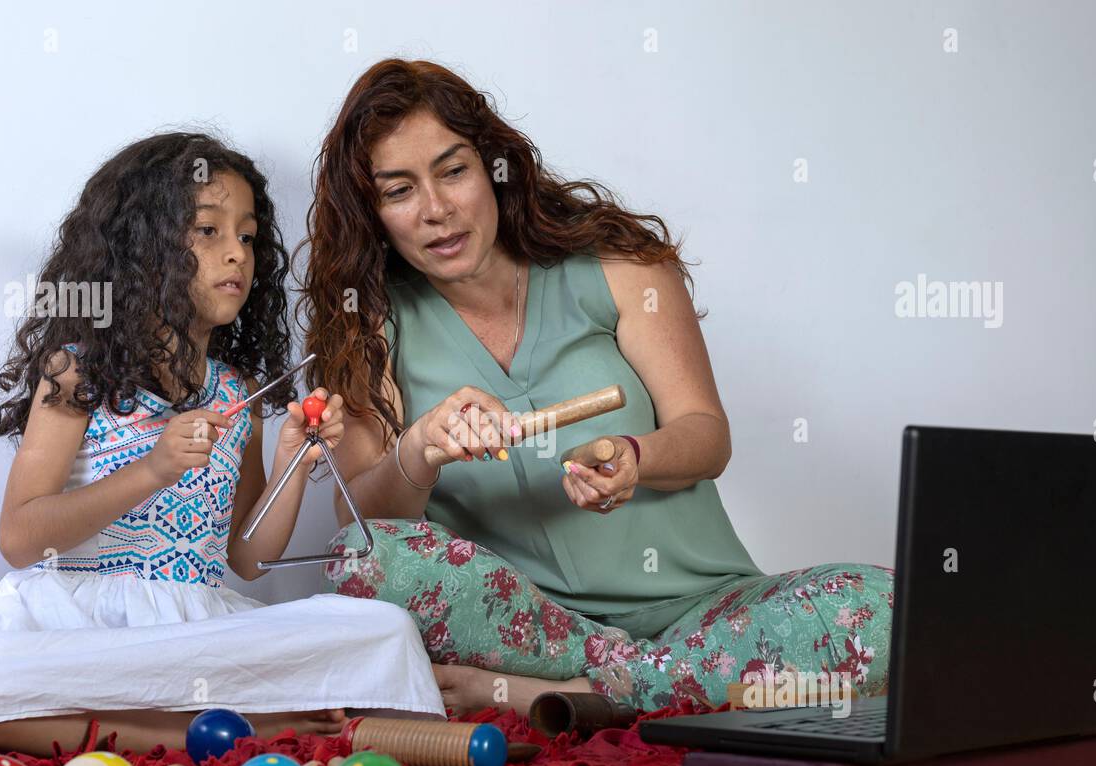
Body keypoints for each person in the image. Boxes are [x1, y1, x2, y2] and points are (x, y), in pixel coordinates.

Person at [294, 59, 893, 716]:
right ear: (372, 212)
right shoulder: (368, 322)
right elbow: (370, 522)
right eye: (399, 190)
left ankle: (582, 698)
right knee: (364, 559)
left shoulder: (617, 266)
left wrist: (637, 458)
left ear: (493, 164)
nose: (436, 210)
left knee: (884, 609)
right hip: (535, 633)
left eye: (453, 170)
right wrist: (419, 450)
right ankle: (678, 691)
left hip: (709, 615)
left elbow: (706, 434)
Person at [0, 132, 443, 758]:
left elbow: (246, 558)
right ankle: (211, 734)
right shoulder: (75, 371)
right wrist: (152, 469)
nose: (236, 255)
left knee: (384, 628)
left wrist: (291, 463)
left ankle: (175, 731)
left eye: (246, 237)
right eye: (208, 232)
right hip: (85, 631)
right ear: (144, 248)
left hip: (198, 634)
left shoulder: (235, 389)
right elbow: (20, 537)